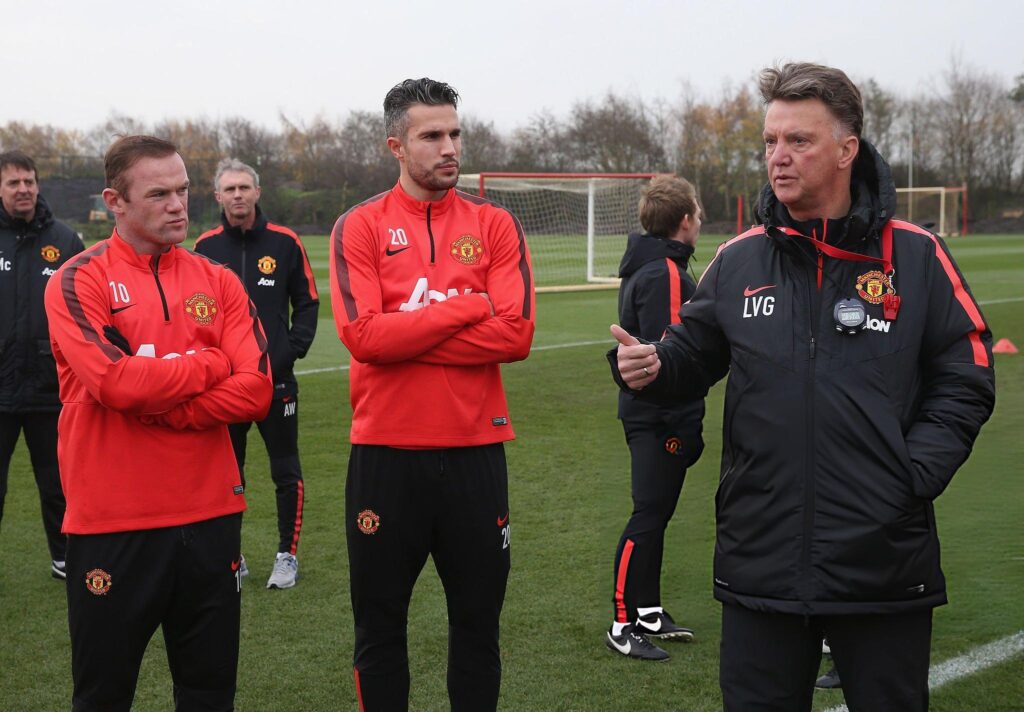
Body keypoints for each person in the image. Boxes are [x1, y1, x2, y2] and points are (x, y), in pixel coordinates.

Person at [610, 62, 995, 711]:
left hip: (880, 563)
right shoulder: (739, 260)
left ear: (847, 150)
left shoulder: (917, 257)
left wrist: (909, 475)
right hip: (761, 560)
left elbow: (968, 372)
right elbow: (690, 354)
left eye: (799, 141)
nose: (778, 158)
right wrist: (654, 365)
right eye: (770, 141)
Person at [44, 135, 272, 711]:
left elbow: (257, 391)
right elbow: (115, 384)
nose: (178, 205)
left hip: (211, 515)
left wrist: (161, 396)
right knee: (102, 696)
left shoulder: (219, 281)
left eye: (184, 190)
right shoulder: (78, 279)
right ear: (114, 201)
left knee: (209, 693)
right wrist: (212, 363)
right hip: (112, 524)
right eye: (159, 194)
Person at [329, 78, 534, 711]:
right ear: (396, 144)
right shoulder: (359, 226)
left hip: (475, 454)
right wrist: (468, 307)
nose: (450, 148)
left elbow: (517, 334)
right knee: (379, 628)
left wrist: (405, 332)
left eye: (455, 133)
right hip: (386, 456)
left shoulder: (494, 226)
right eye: (431, 136)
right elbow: (363, 337)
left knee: (478, 628)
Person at [195, 158, 319, 590]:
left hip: (276, 382)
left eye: (244, 187)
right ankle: (233, 558)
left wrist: (286, 353)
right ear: (218, 197)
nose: (237, 196)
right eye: (229, 189)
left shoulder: (285, 242)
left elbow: (307, 303)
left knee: (285, 470)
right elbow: (195, 313)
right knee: (227, 472)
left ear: (257, 192)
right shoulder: (205, 247)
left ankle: (287, 556)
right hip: (226, 385)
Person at [606, 175, 704, 661]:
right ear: (685, 220)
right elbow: (670, 353)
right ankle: (623, 620)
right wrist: (683, 421)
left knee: (657, 512)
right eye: (698, 214)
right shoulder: (664, 270)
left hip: (648, 410)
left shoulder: (647, 266)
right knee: (649, 512)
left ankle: (647, 610)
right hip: (659, 414)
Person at [0, 150, 84, 579]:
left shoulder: (66, 241)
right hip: (0, 388)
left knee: (57, 483)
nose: (23, 189)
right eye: (14, 182)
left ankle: (64, 556)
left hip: (51, 388)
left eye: (29, 181)